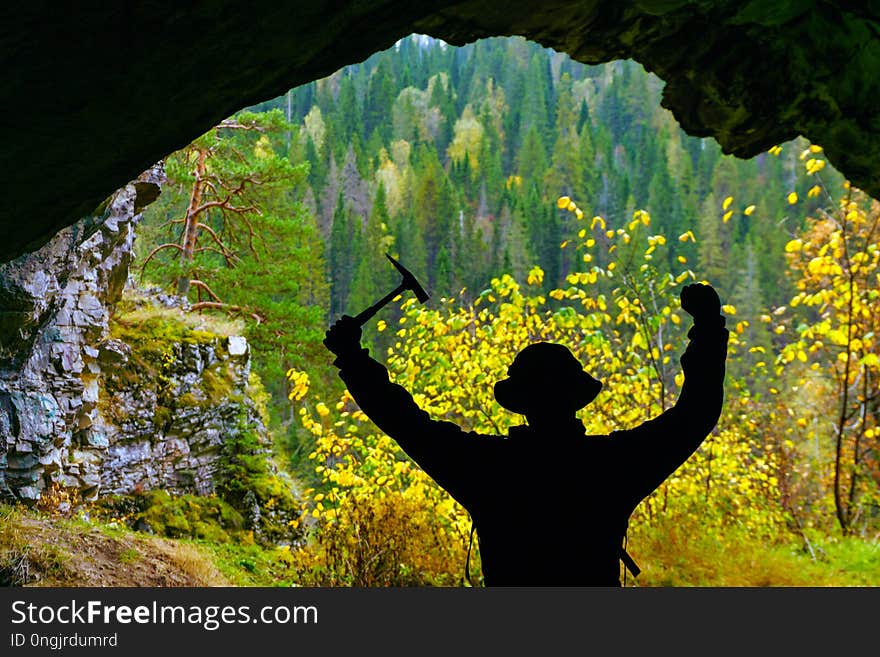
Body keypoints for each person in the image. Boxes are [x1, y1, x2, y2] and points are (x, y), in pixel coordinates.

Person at [323, 282, 729, 586]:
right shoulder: (613, 463)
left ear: (520, 403)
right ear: (577, 398)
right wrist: (708, 329)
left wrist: (354, 359)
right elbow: (695, 414)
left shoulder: (486, 466)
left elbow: (404, 422)